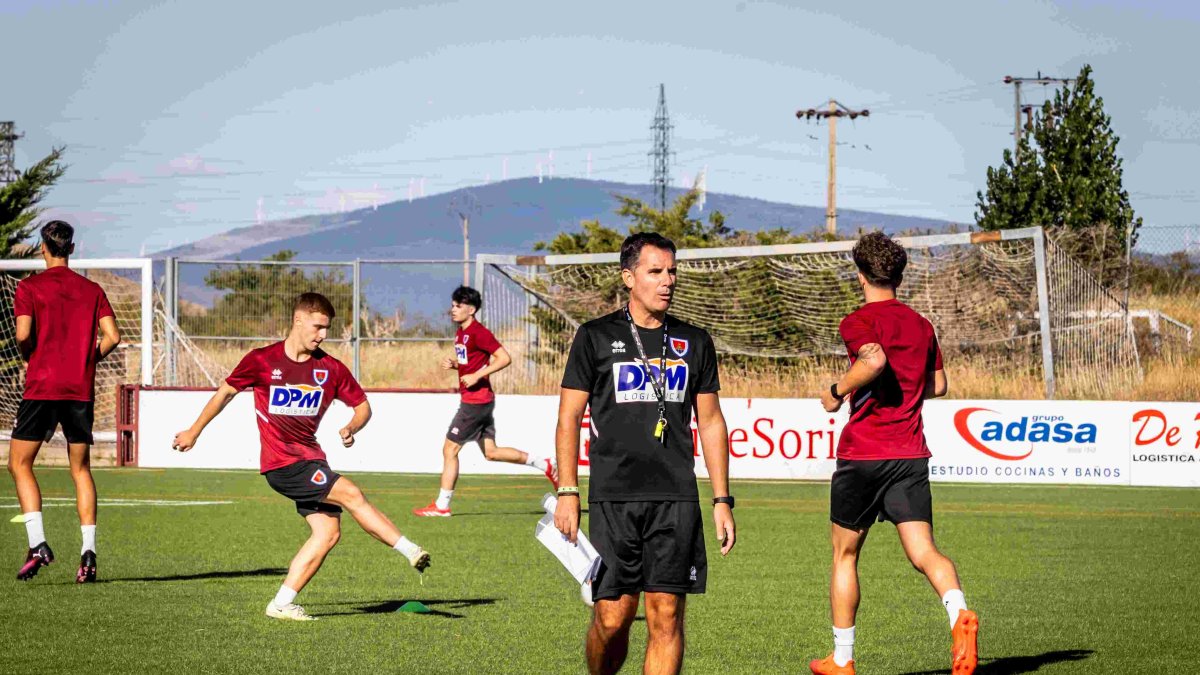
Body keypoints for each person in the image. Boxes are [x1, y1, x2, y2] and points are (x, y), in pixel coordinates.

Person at [172, 292, 431, 621]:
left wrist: (352, 426)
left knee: (328, 533)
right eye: (318, 326)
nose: (323, 335)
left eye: (327, 329)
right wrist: (194, 431)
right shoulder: (262, 360)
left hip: (312, 460)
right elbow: (225, 392)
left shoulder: (331, 368)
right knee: (350, 493)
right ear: (298, 320)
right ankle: (410, 550)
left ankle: (281, 603)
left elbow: (363, 407)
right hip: (283, 464)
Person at [554, 232, 737, 675]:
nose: (667, 281)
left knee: (666, 616)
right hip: (613, 498)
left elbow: (711, 421)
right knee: (612, 618)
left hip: (676, 499)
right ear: (629, 277)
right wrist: (567, 490)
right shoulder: (595, 337)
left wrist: (721, 499)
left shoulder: (695, 341)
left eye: (672, 271)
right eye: (655, 271)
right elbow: (568, 418)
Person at [809, 232, 977, 675]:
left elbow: (874, 359)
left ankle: (842, 659)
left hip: (864, 453)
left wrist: (836, 391)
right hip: (910, 454)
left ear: (861, 275)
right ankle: (958, 612)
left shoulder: (858, 321)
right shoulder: (922, 325)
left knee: (845, 555)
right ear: (898, 276)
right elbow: (938, 384)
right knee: (924, 551)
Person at [9, 220, 120, 583]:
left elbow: (23, 334)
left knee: (19, 465)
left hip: (42, 387)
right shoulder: (92, 289)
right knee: (81, 470)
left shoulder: (29, 287)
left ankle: (38, 543)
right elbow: (113, 337)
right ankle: (88, 554)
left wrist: (30, 355)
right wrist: (89, 359)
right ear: (71, 249)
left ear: (42, 247)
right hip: (79, 389)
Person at [413, 285, 556, 517]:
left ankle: (442, 505)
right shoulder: (461, 332)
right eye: (452, 305)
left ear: (472, 309)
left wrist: (477, 375)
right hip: (480, 400)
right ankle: (544, 464)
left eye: (458, 306)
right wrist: (457, 366)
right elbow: (471, 361)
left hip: (475, 403)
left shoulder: (479, 332)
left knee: (449, 449)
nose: (453, 310)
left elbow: (504, 358)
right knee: (491, 452)